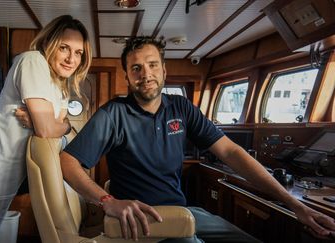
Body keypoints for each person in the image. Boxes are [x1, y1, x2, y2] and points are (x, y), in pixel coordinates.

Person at [56, 36, 335, 242]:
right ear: (128, 77)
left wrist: (296, 206)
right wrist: (107, 201)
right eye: (136, 68)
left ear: (164, 71)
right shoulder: (113, 114)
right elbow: (67, 161)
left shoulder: (181, 108)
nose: (146, 74)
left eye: (152, 65)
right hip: (145, 220)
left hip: (183, 210)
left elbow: (231, 153)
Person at [0, 15, 92, 243]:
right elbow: (45, 130)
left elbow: (57, 130)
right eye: (64, 48)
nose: (72, 58)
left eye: (78, 52)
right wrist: (54, 125)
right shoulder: (33, 61)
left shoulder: (60, 87)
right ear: (49, 43)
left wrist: (61, 126)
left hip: (3, 183)